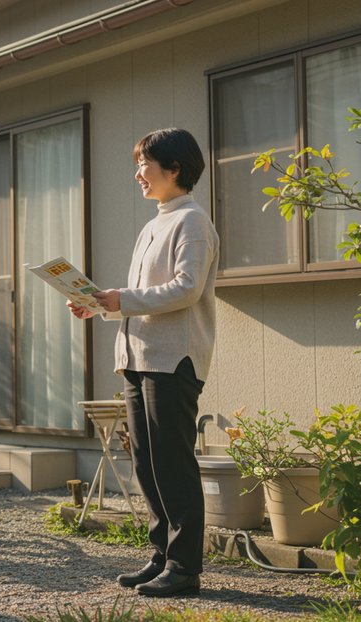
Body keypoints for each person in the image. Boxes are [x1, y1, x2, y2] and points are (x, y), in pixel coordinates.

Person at [69, 128, 217, 598]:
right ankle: (162, 556)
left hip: (173, 360)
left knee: (172, 463)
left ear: (174, 169)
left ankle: (185, 567)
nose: (138, 174)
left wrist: (120, 299)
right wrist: (99, 304)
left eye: (145, 166)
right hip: (139, 358)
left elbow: (186, 288)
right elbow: (140, 297)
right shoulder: (155, 222)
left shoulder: (192, 221)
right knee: (146, 464)